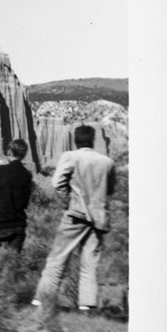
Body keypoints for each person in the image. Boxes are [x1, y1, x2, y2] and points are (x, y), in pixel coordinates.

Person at [32, 125, 117, 315]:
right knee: (90, 265)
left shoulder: (71, 156)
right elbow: (110, 190)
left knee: (57, 260)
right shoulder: (107, 162)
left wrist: (69, 201)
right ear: (93, 140)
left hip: (75, 216)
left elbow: (56, 183)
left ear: (76, 140)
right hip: (99, 219)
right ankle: (87, 309)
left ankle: (41, 303)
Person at [0, 138, 33, 258]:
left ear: (9, 152)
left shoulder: (1, 170)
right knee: (11, 266)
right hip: (19, 226)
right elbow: (25, 202)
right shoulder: (27, 175)